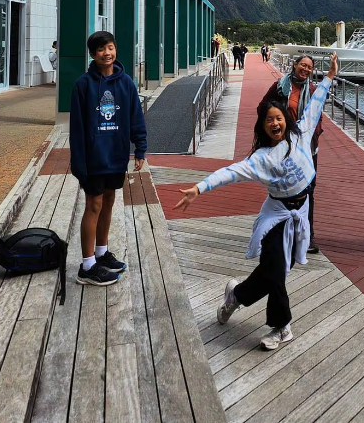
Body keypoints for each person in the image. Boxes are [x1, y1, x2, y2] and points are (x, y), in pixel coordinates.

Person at [176, 53, 339, 350]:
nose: (275, 124)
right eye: (269, 121)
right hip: (276, 216)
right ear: (263, 127)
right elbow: (230, 172)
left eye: (279, 118)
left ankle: (236, 296)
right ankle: (281, 326)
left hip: (299, 213)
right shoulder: (260, 159)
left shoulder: (300, 135)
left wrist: (328, 76)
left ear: (286, 121)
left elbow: (314, 106)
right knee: (277, 273)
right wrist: (199, 188)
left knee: (271, 272)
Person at [70, 31, 148, 286]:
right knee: (93, 205)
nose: (107, 53)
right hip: (93, 159)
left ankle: (101, 253)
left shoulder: (125, 83)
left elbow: (136, 117)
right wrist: (79, 164)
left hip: (116, 156)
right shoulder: (83, 85)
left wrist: (140, 149)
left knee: (110, 201)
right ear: (93, 54)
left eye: (111, 48)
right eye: (101, 49)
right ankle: (87, 265)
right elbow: (77, 129)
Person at [260, 55, 322, 253]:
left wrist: (310, 135)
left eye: (309, 67)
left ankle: (307, 236)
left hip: (305, 148)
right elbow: (262, 108)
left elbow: (317, 118)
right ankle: (281, 232)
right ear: (295, 65)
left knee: (307, 190)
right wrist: (274, 131)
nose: (305, 69)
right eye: (302, 65)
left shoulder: (312, 90)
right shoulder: (280, 87)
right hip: (283, 147)